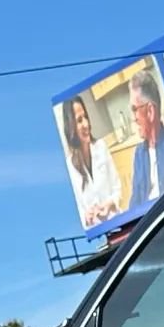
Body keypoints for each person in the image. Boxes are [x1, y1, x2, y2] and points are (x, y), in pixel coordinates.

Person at [59, 97, 122, 229]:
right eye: (79, 120)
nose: (86, 124)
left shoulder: (101, 147)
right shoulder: (69, 166)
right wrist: (86, 217)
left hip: (118, 222)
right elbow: (78, 213)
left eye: (85, 117)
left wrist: (110, 203)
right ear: (71, 127)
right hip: (97, 231)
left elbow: (118, 189)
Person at [126, 70, 164, 207]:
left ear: (150, 111)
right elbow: (134, 204)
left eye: (135, 109)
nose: (133, 117)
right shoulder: (139, 154)